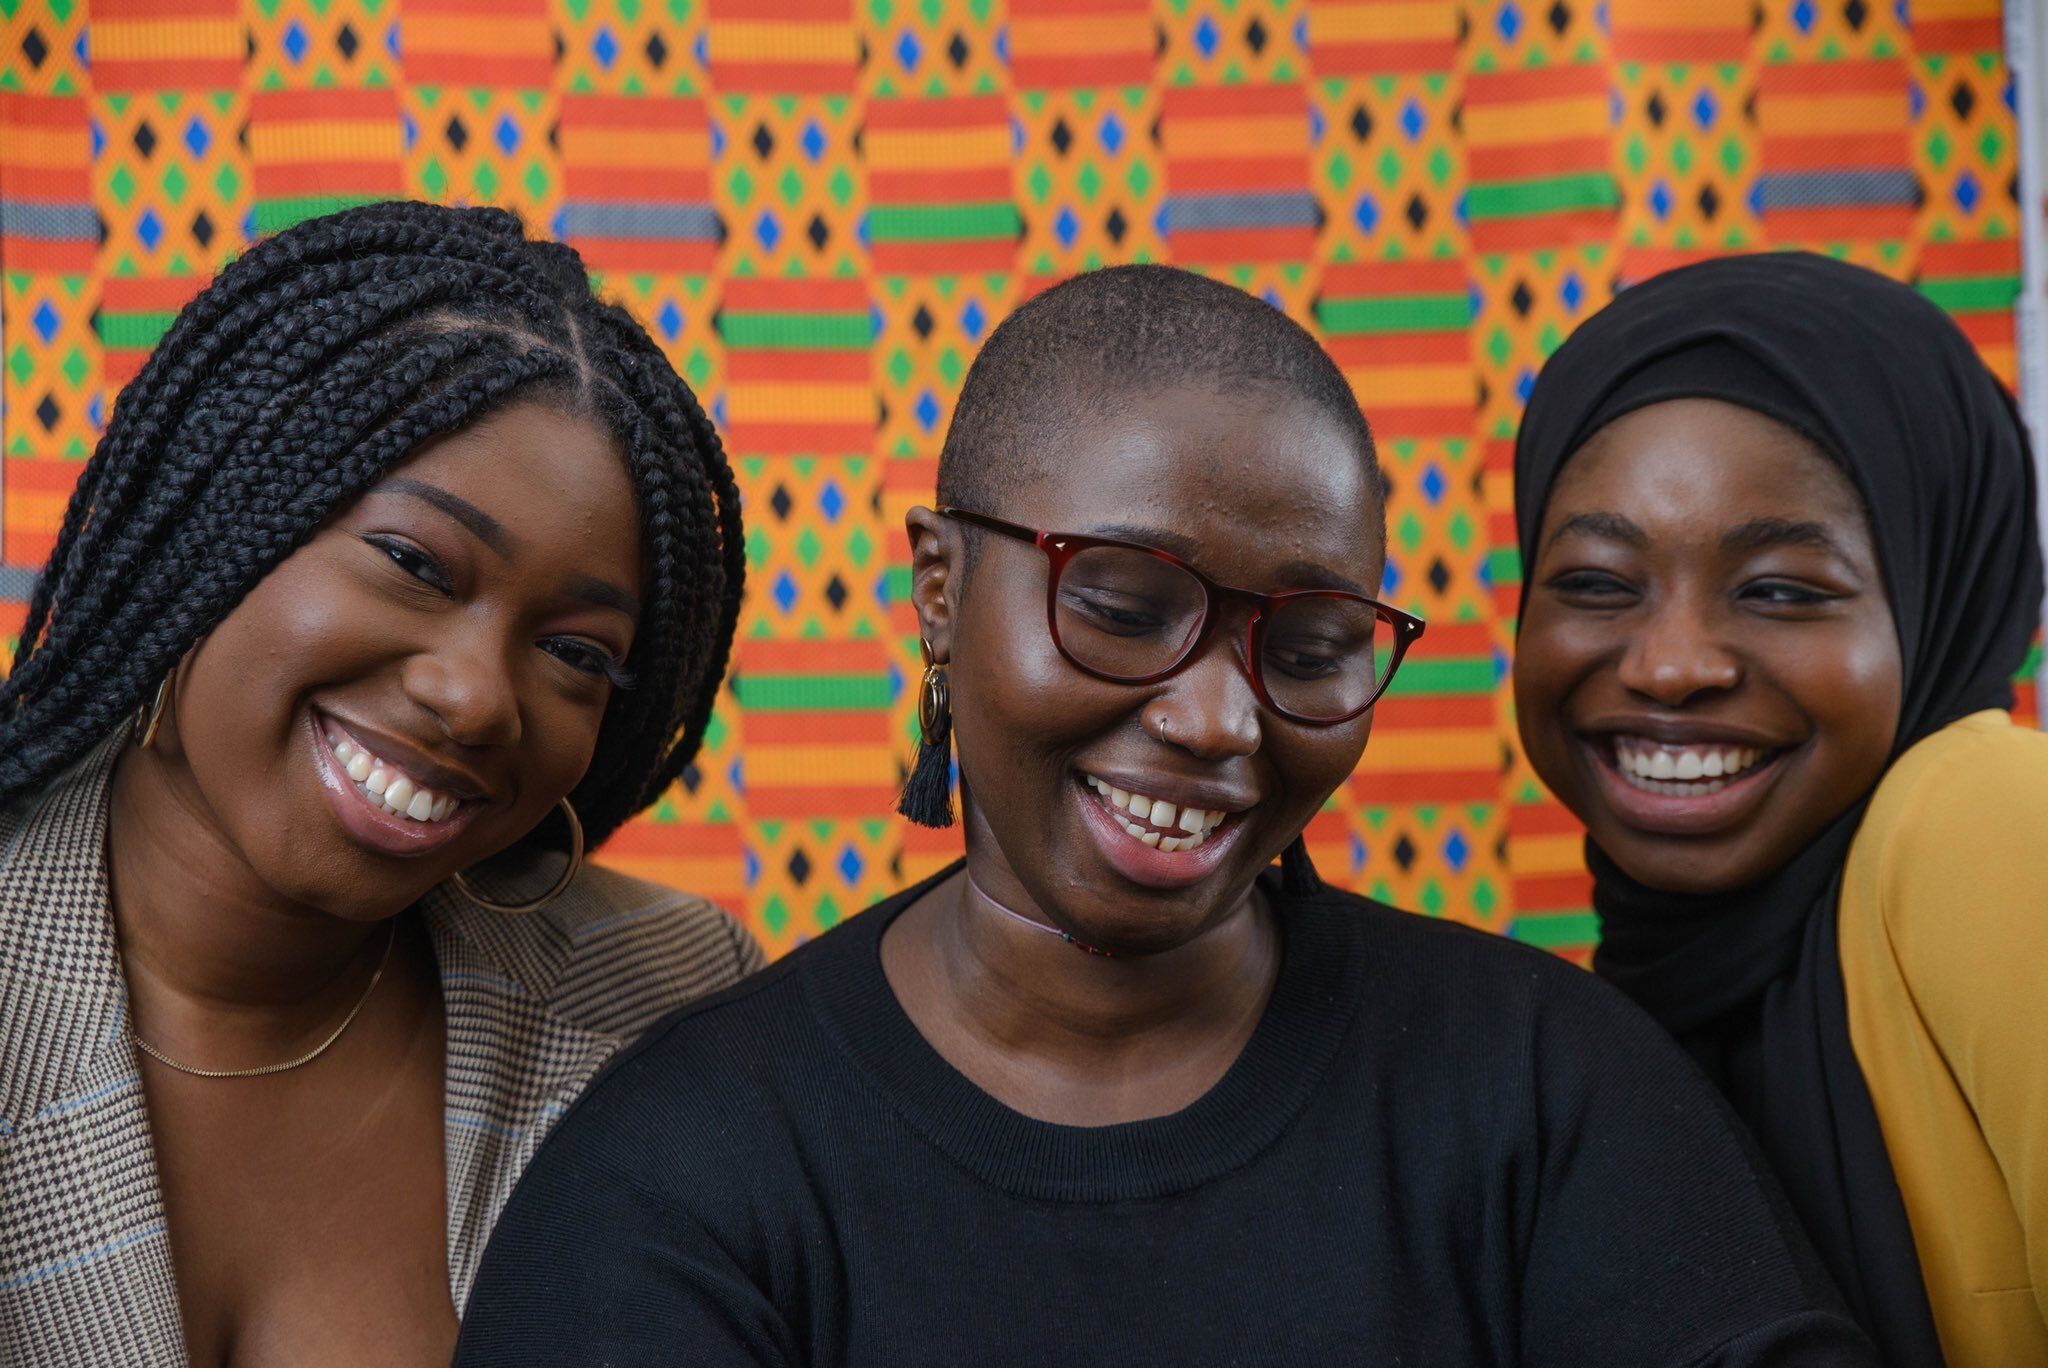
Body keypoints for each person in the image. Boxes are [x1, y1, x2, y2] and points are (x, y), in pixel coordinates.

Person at [454, 264, 1871, 1366]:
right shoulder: (693, 1167)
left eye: (1308, 644)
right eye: (1124, 609)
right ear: (939, 592)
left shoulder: (1545, 1090)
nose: (1216, 719)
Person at [0, 201, 762, 1364]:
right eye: (413, 563)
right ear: (214, 525)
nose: (477, 698)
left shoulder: (671, 1003)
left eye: (575, 652)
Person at [1512, 251, 2047, 1365]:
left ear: (1937, 583)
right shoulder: (1611, 1020)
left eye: (1779, 593)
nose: (1667, 666)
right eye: (1597, 584)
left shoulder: (1980, 821)